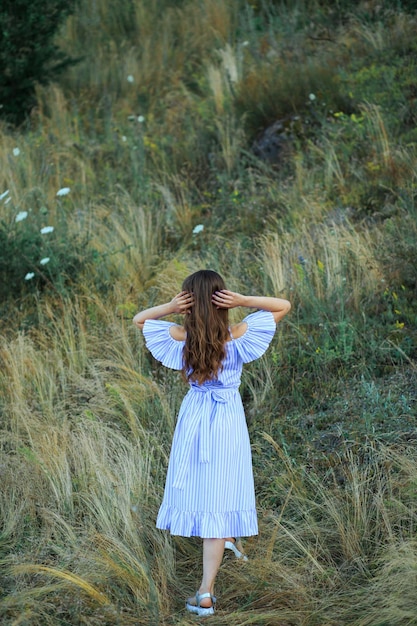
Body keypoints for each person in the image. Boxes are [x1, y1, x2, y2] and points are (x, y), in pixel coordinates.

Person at [133, 269, 291, 616]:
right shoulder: (238, 334)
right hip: (227, 419)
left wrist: (170, 307)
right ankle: (206, 590)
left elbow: (141, 320)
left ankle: (219, 556)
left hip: (195, 416)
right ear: (223, 301)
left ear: (188, 304)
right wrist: (244, 301)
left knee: (207, 484)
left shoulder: (179, 335)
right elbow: (283, 305)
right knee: (224, 483)